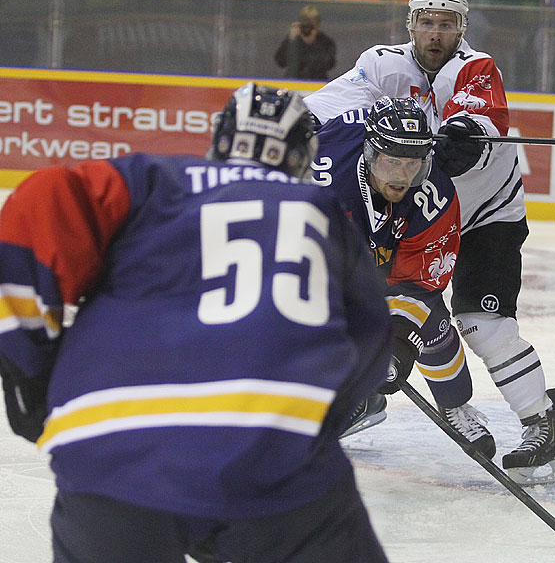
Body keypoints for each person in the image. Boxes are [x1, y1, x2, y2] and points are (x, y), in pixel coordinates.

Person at [0, 82, 392, 562]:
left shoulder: (152, 180)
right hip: (274, 462)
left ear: (216, 143)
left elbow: (37, 209)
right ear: (303, 159)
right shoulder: (322, 212)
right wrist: (312, 423)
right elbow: (371, 342)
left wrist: (30, 374)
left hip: (112, 450)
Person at [302, 0, 555, 485]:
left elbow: (473, 127)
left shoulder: (474, 67)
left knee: (481, 326)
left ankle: (543, 427)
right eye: (426, 21)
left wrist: (459, 136)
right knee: (388, 297)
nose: (435, 32)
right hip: (418, 211)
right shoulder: (383, 64)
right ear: (411, 26)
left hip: (487, 213)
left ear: (460, 28)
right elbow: (325, 106)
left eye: (445, 23)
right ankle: (371, 392)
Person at [318, 96, 494, 457]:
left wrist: (398, 346)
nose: (401, 175)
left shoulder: (434, 196)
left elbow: (420, 283)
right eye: (392, 162)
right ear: (370, 155)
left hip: (385, 261)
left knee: (427, 318)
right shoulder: (325, 178)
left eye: (413, 164)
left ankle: (454, 403)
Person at [274, 5, 337, 81]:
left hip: (317, 81)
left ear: (318, 24)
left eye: (311, 25)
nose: (308, 28)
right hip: (293, 80)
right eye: (305, 24)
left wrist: (312, 44)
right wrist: (291, 42)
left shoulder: (325, 42)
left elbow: (328, 64)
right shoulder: (293, 39)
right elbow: (281, 61)